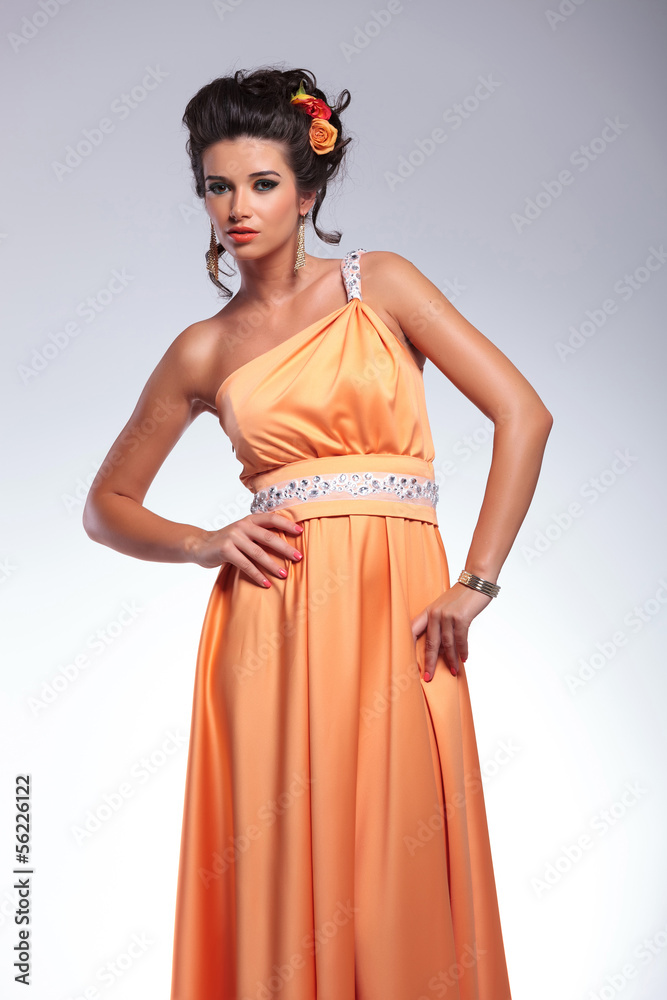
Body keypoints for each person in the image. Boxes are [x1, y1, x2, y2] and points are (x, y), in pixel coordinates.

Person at [83, 65, 552, 1000]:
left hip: (397, 612)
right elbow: (107, 506)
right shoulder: (203, 347)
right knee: (280, 863)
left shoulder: (381, 284)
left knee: (396, 855)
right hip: (272, 624)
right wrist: (202, 542)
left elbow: (523, 415)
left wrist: (476, 582)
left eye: (261, 183)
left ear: (306, 192)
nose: (237, 207)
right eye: (218, 186)